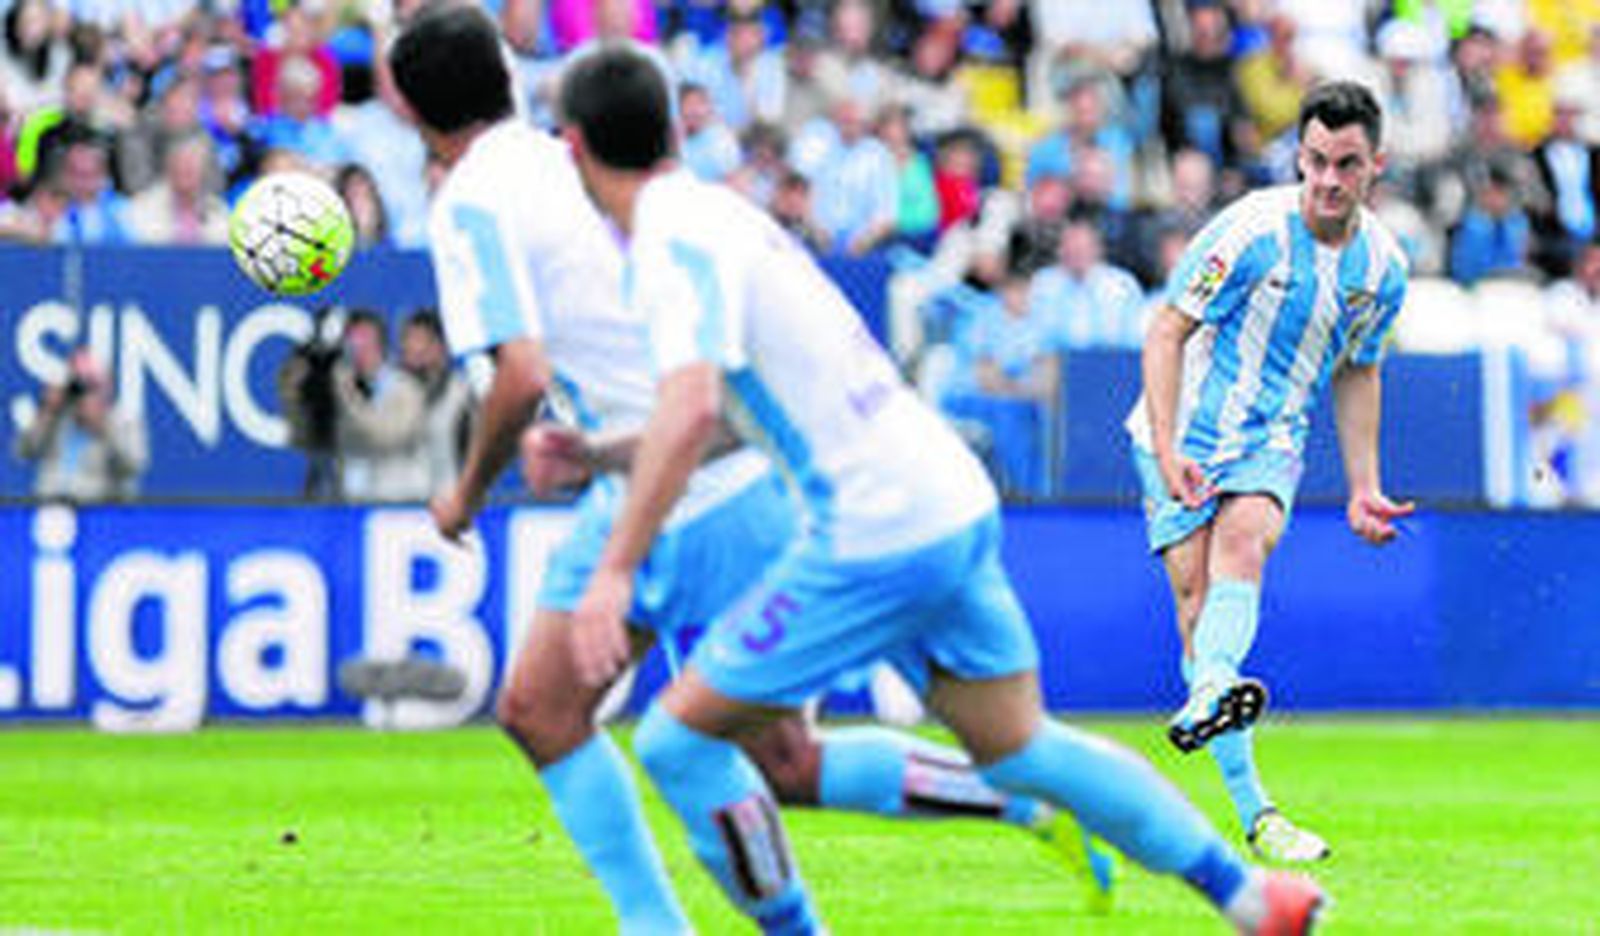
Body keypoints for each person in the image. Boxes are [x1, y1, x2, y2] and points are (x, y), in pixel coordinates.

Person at [559, 42, 1323, 936]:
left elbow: (689, 409)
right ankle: (1249, 896)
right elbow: (736, 414)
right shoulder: (723, 216)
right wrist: (599, 453)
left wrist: (613, 570)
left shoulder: (662, 241)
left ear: (575, 148)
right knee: (1021, 746)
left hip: (873, 525)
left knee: (677, 743)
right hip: (944, 495)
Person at [387, 10, 1112, 934]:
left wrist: (467, 487)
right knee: (539, 706)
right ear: (504, 74)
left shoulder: (469, 204)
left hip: (704, 485)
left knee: (783, 765)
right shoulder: (557, 156)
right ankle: (652, 923)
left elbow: (520, 371)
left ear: (408, 105)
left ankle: (1020, 801)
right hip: (642, 476)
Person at [1127, 81, 1415, 864]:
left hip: (1272, 438)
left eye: (1346, 164)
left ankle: (1216, 688)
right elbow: (1165, 331)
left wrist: (1363, 484)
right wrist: (1164, 443)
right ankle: (1258, 811)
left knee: (1247, 541)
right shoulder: (1250, 231)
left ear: (1375, 166)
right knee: (1194, 607)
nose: (1327, 179)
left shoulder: (1384, 266)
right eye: (1316, 160)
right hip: (1177, 429)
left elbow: (1360, 369)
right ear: (1300, 155)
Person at [13, 345, 147, 501]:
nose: (85, 391)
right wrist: (47, 412)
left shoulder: (124, 420)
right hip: (51, 505)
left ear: (108, 385)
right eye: (79, 382)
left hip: (100, 508)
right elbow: (24, 451)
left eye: (92, 384)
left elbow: (132, 467)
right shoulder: (59, 417)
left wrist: (103, 426)